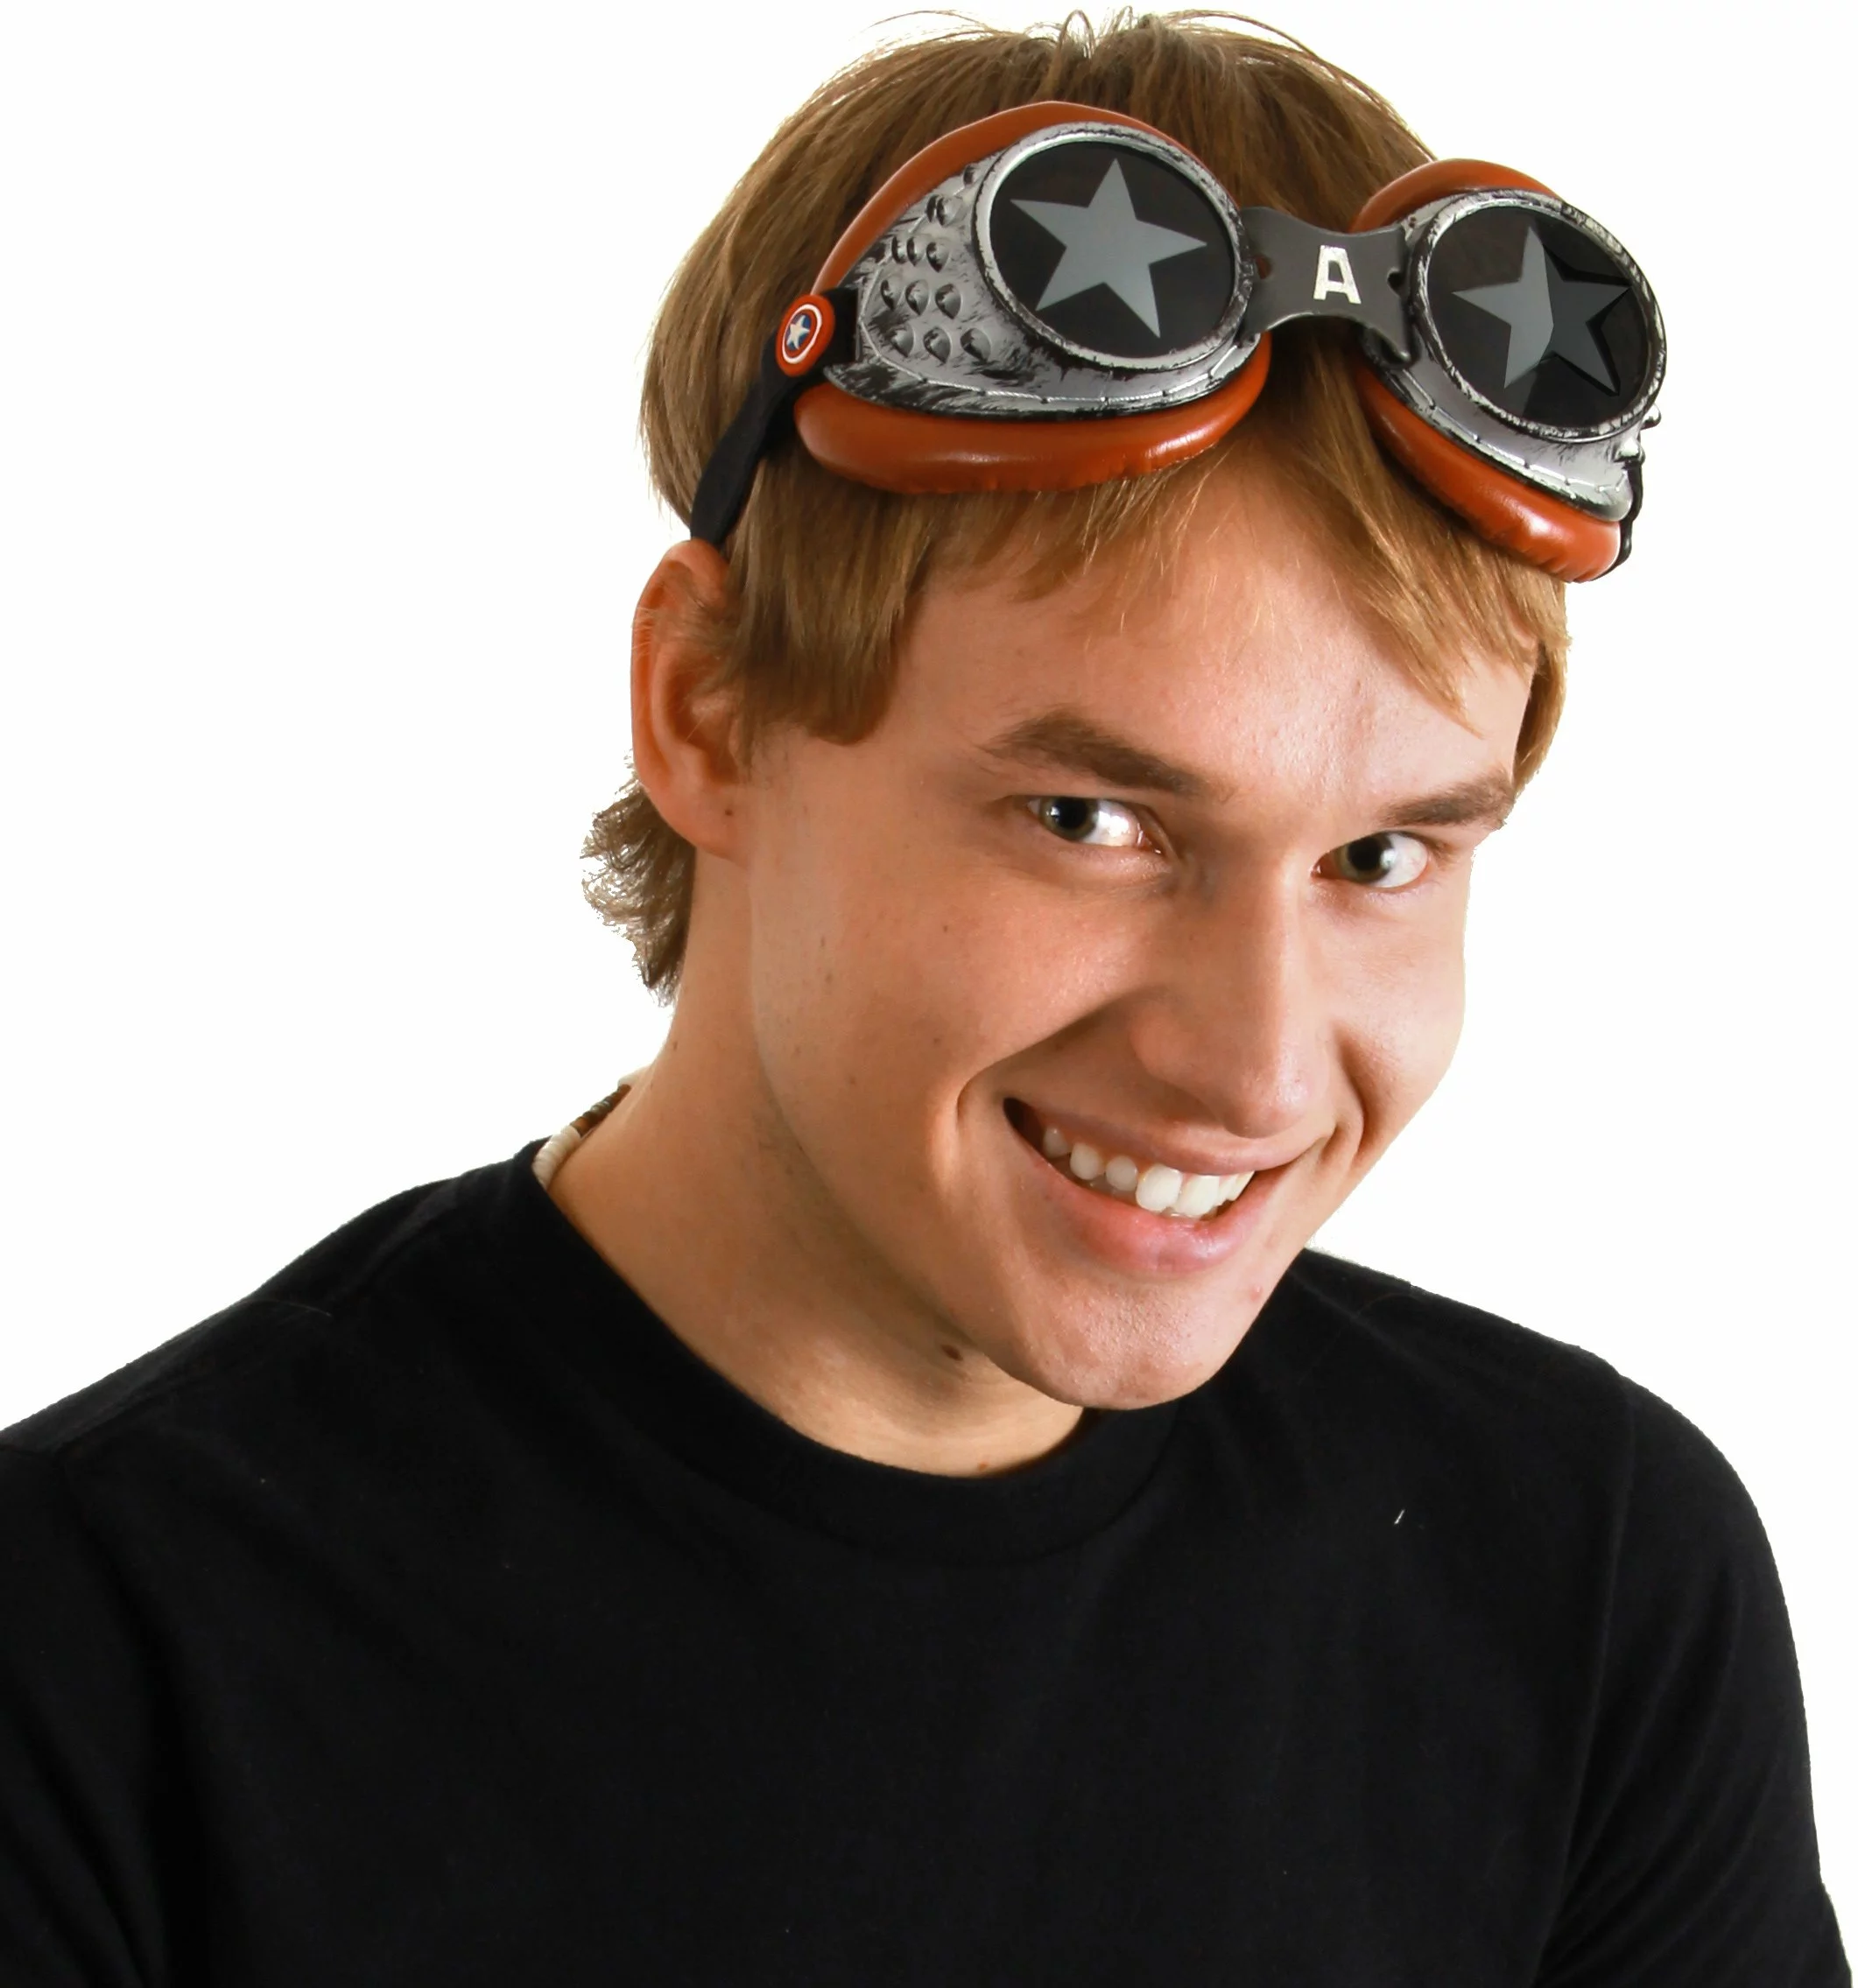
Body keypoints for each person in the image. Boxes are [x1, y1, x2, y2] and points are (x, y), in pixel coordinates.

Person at [0, 12, 1846, 1983]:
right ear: (709, 712)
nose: (1251, 1069)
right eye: (1089, 819)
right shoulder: (96, 1661)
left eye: (1381, 857)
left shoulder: (1588, 1583)